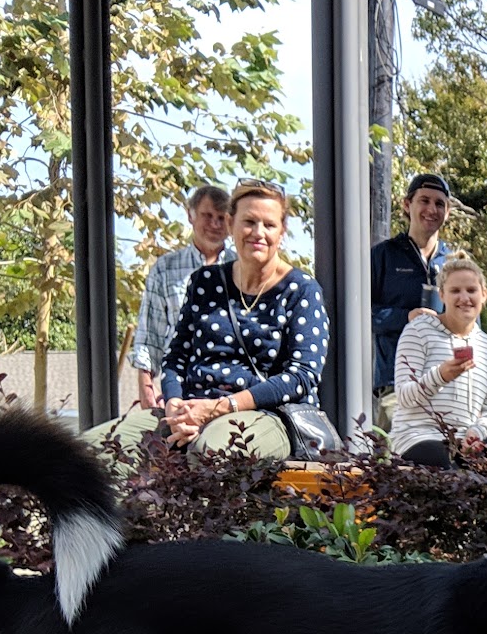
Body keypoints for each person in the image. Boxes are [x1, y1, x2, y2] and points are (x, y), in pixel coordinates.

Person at [84, 178, 329, 461]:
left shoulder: (301, 289)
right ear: (231, 223)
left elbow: (302, 375)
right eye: (249, 221)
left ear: (282, 231)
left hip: (264, 413)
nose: (258, 233)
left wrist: (219, 408)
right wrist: (175, 404)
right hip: (191, 408)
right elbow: (176, 357)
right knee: (87, 452)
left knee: (210, 452)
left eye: (269, 225)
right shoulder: (205, 281)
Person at [388, 254, 487, 467]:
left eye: (471, 290)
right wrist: (440, 376)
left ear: (484, 295)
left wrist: (477, 432)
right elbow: (404, 397)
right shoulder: (418, 331)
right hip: (418, 437)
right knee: (447, 464)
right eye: (455, 291)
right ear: (442, 295)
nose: (464, 298)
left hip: (466, 438)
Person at [129, 184, 230, 410]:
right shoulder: (165, 269)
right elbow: (149, 334)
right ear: (190, 216)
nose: (215, 224)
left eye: (222, 217)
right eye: (207, 216)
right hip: (176, 391)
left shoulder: (242, 269)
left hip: (228, 392)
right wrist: (147, 389)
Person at [371, 173, 453, 419]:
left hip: (448, 385)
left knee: (447, 456)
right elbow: (361, 314)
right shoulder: (383, 256)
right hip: (398, 382)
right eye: (424, 201)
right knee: (398, 455)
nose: (432, 209)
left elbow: (473, 327)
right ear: (407, 205)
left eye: (439, 204)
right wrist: (406, 317)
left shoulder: (455, 262)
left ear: (447, 212)